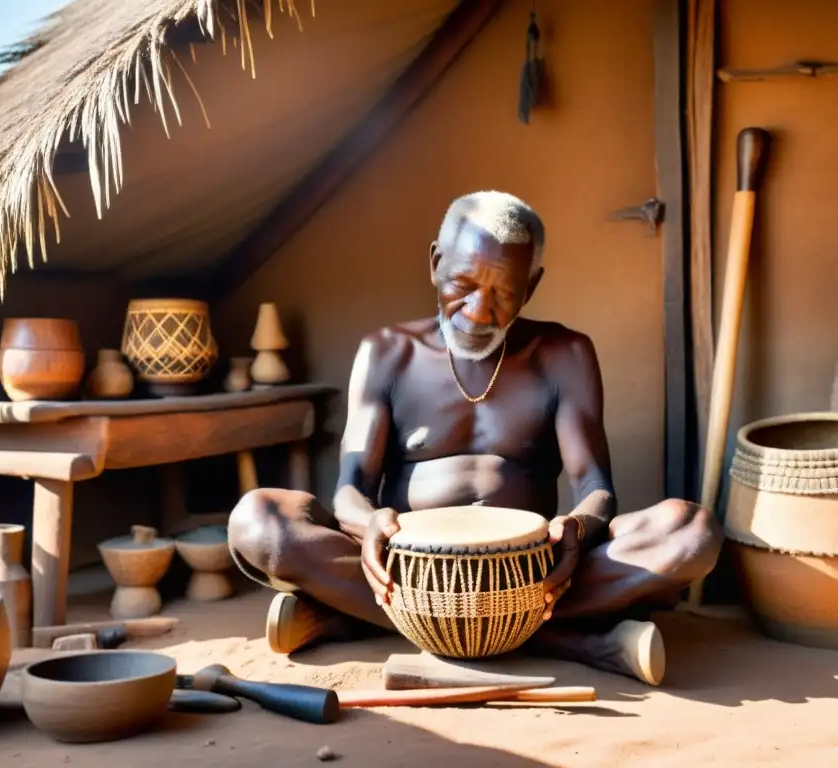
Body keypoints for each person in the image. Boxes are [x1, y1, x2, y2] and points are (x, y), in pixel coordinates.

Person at [227, 190, 723, 686]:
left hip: (531, 571)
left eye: (503, 293)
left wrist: (576, 527)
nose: (479, 311)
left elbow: (595, 486)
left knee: (690, 530)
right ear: (435, 262)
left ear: (531, 286)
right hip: (413, 571)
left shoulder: (563, 354)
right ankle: (571, 639)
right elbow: (351, 487)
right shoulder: (387, 352)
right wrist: (367, 521)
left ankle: (354, 616)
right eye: (463, 284)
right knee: (259, 520)